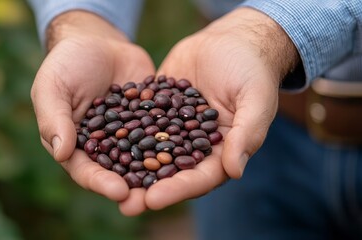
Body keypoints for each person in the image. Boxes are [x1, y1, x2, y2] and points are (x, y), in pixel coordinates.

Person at [27, 0, 362, 239]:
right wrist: (83, 20)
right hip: (247, 111)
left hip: (243, 88)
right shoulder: (185, 118)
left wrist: (271, 33)